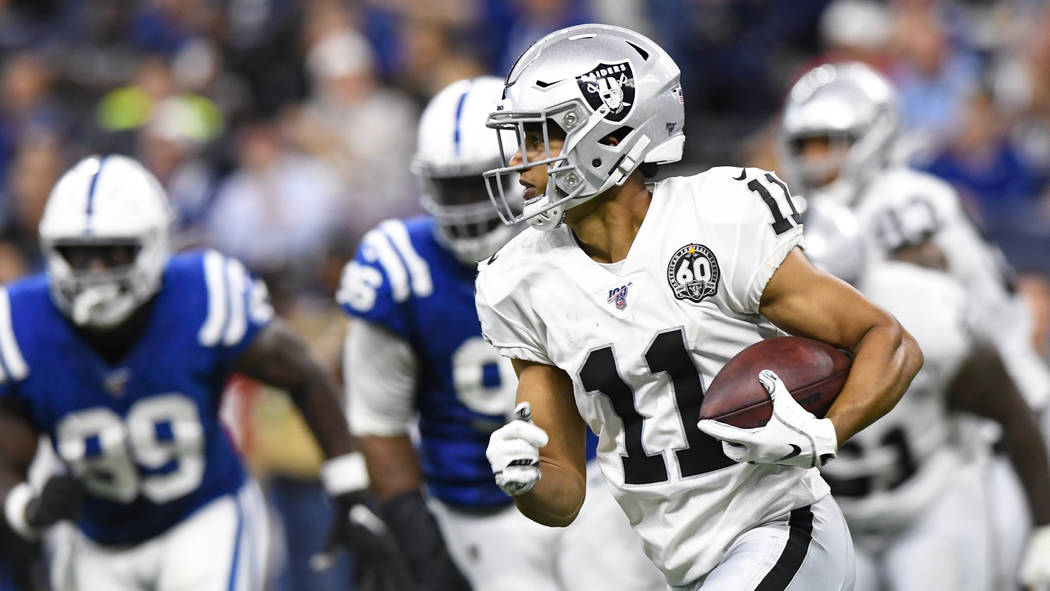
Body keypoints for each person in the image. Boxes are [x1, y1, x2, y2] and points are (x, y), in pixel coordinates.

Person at [476, 24, 923, 591]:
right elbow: (563, 496)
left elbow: (890, 340)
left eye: (540, 136)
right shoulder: (520, 280)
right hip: (682, 565)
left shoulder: (716, 219)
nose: (520, 158)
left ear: (609, 134)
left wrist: (824, 434)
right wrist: (524, 478)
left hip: (782, 528)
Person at [0, 155, 406, 591]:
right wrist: (28, 508)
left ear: (154, 245)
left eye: (114, 253)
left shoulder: (202, 295)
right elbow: (7, 451)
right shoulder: (21, 321)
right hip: (97, 539)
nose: (95, 273)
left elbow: (302, 373)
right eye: (78, 255)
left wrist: (349, 491)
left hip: (201, 517)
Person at [337, 75, 663, 591]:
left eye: (480, 183)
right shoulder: (400, 269)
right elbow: (377, 421)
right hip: (478, 509)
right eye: (454, 187)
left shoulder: (582, 236)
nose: (471, 204)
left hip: (602, 480)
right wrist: (417, 539)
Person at [777, 60, 1050, 587]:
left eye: (827, 142)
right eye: (805, 144)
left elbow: (983, 309)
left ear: (871, 136)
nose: (814, 159)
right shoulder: (790, 207)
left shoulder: (913, 204)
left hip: (957, 413)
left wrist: (1021, 388)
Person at [804, 202, 1050, 591]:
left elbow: (1011, 412)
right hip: (834, 518)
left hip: (926, 506)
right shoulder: (749, 337)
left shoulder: (925, 314)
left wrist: (1044, 529)